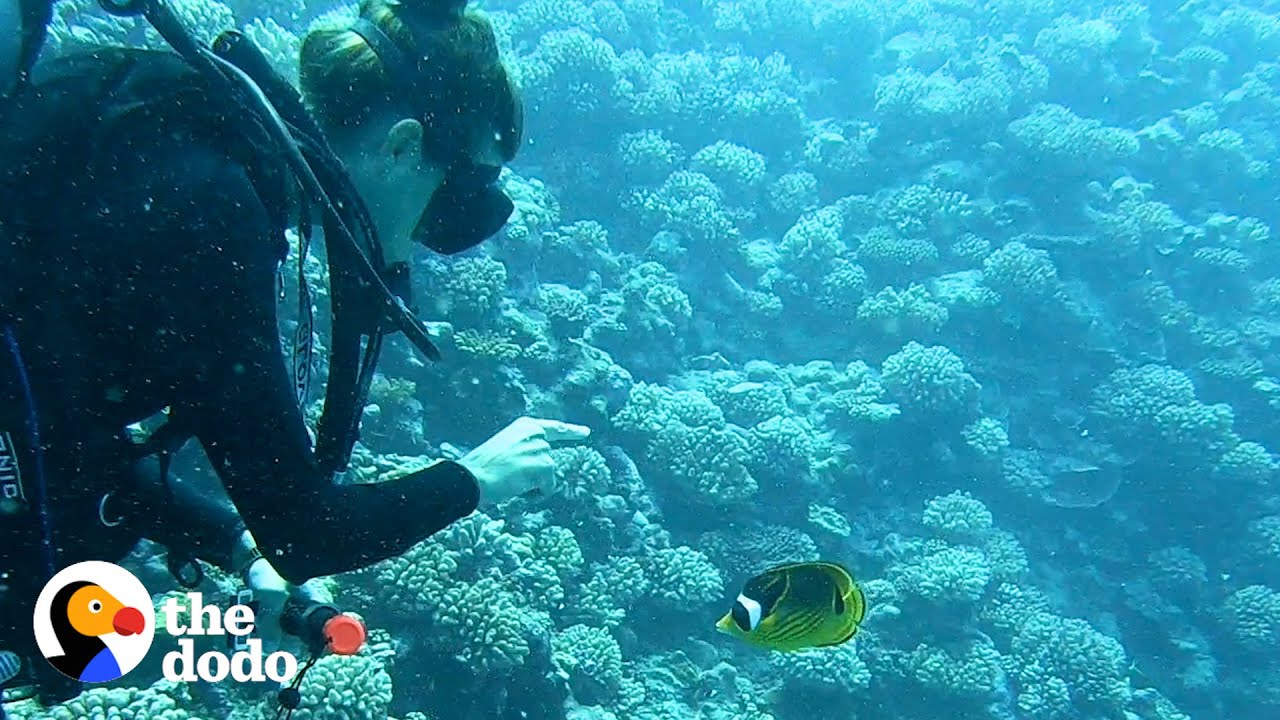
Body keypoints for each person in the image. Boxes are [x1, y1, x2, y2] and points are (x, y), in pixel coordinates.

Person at [0, 0, 590, 702]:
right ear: (401, 147)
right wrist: (476, 477)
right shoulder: (211, 210)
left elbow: (65, 446)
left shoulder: (165, 122)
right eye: (454, 191)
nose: (438, 235)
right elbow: (307, 532)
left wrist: (231, 543)